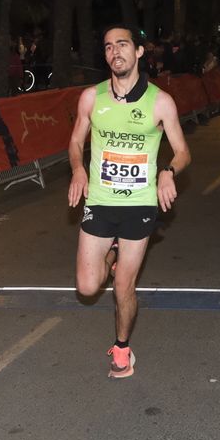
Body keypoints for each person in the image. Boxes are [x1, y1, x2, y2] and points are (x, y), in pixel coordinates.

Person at [67, 26, 190, 379]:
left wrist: (167, 171)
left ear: (138, 52)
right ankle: (110, 254)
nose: (115, 52)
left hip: (140, 203)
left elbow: (183, 151)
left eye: (122, 45)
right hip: (100, 200)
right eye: (108, 47)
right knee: (88, 287)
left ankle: (122, 349)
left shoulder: (160, 101)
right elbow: (76, 142)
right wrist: (78, 170)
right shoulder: (92, 97)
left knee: (124, 284)